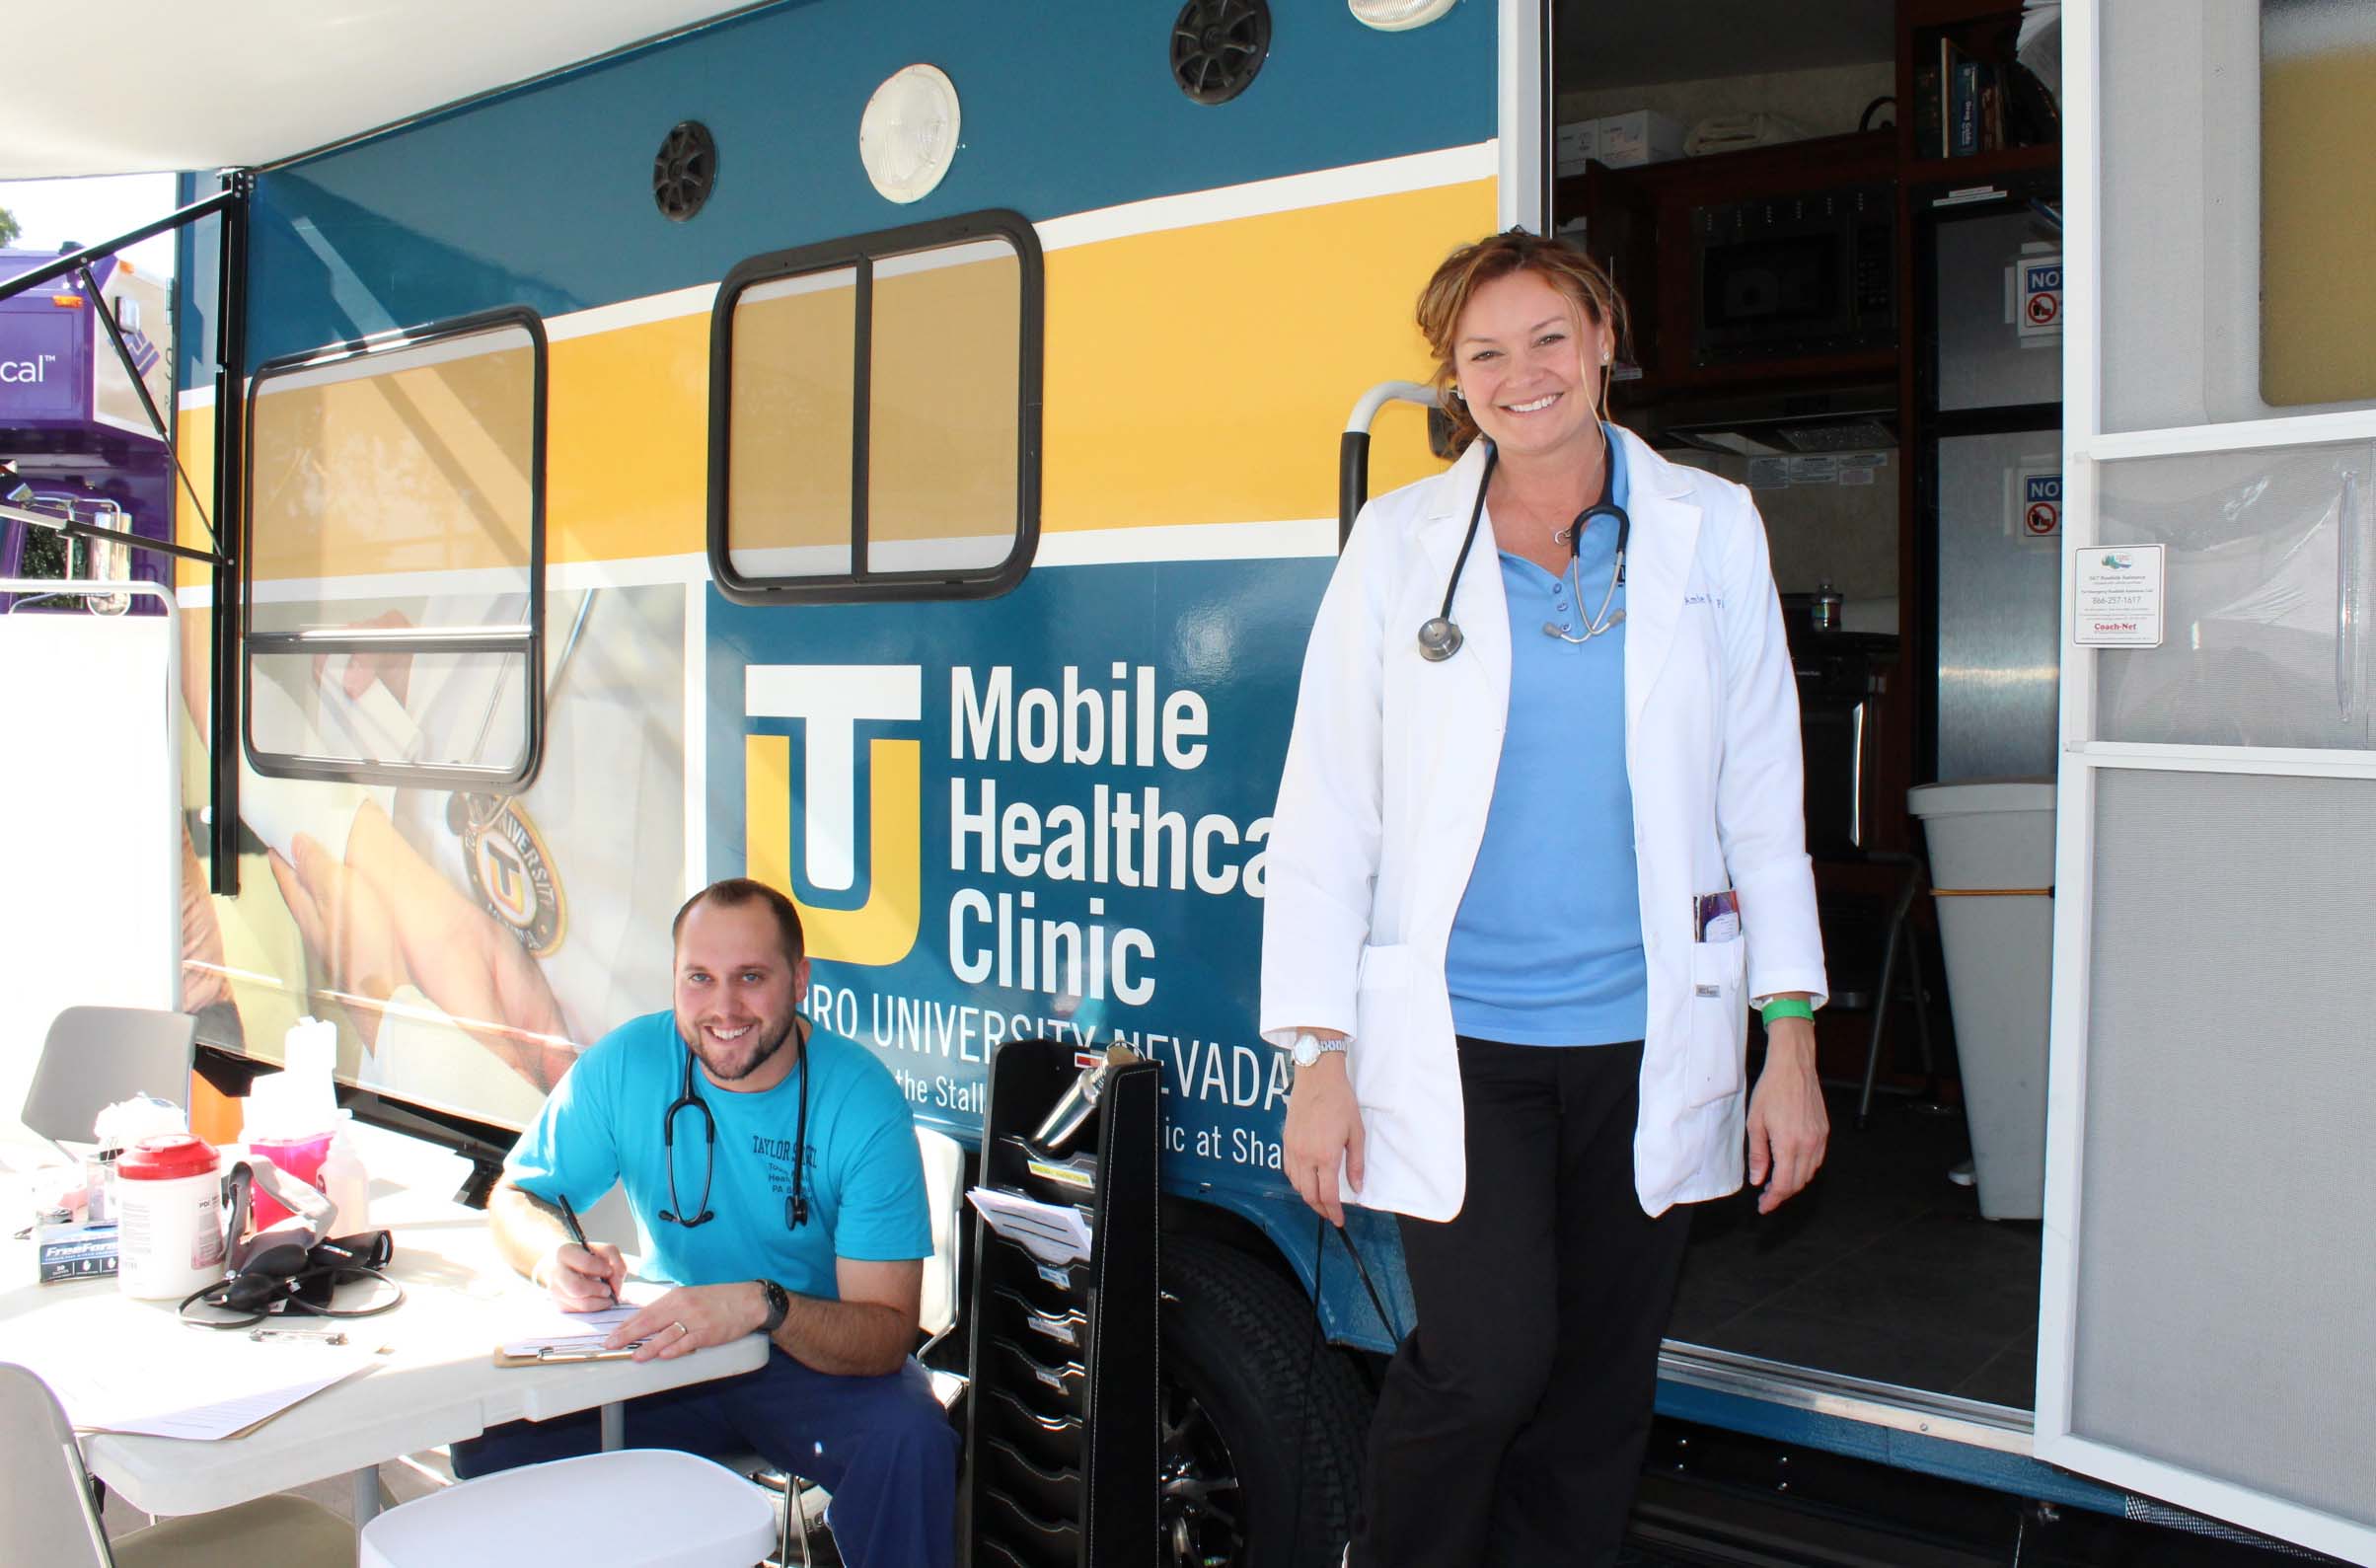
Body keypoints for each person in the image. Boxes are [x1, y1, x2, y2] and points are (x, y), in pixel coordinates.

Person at [1262, 229, 1830, 1568]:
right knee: (1486, 1368)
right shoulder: (1401, 545)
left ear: (1606, 342)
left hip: (1653, 1036)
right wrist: (1318, 1055)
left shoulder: (1709, 526)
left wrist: (1790, 1039)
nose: (1524, 375)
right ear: (1454, 383)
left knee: (1597, 1397)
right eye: (1485, 353)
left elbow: (1762, 793)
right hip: (1465, 1044)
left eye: (1550, 339)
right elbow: (1328, 802)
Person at [456, 876, 958, 1568]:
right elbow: (516, 1196)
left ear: (799, 979)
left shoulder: (861, 1100)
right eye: (699, 978)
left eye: (751, 977)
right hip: (667, 1352)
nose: (724, 1007)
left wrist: (762, 1304)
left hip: (807, 1359)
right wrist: (553, 1258)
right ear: (673, 980)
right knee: (492, 1438)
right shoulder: (628, 1061)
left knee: (912, 1439)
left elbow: (885, 1332)